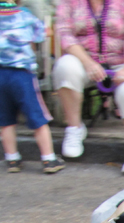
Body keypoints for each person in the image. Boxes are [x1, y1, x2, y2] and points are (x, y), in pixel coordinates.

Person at [53, 0, 124, 175]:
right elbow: (65, 34)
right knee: (64, 67)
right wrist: (88, 63)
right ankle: (75, 128)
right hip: (84, 59)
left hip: (120, 62)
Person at [0, 0, 63, 173]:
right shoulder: (24, 15)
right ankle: (49, 159)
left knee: (6, 121)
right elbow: (43, 33)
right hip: (22, 74)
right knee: (37, 117)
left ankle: (12, 160)